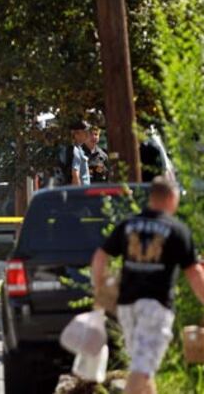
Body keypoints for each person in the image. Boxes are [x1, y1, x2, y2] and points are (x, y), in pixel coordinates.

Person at [91, 177, 204, 394]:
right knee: (142, 371)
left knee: (143, 369)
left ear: (152, 197)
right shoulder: (177, 230)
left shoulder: (128, 225)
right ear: (171, 198)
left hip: (127, 307)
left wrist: (100, 288)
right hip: (156, 307)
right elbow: (195, 274)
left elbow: (100, 257)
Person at [70, 120, 91, 186]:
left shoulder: (80, 149)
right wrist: (79, 193)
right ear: (76, 134)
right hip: (82, 191)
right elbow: (75, 175)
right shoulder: (75, 151)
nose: (88, 135)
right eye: (85, 132)